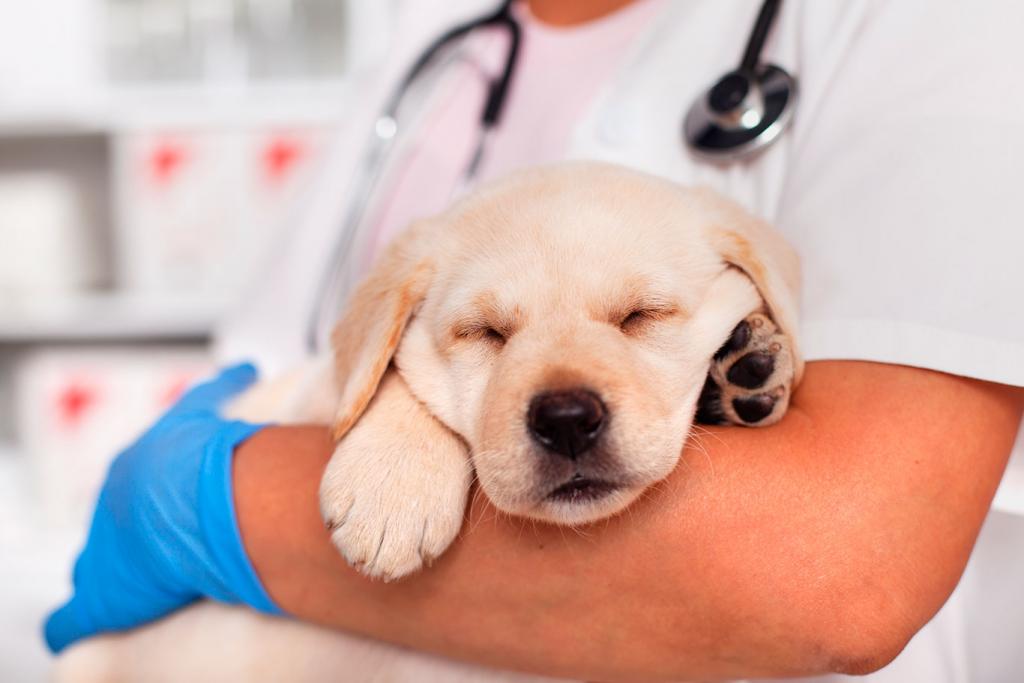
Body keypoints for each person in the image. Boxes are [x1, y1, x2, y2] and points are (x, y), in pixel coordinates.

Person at [44, 0, 1024, 680]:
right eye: (489, 327)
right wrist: (382, 418)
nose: (562, 391)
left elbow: (839, 570)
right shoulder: (432, 43)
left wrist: (219, 505)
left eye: (640, 314)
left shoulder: (927, 26)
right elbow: (311, 360)